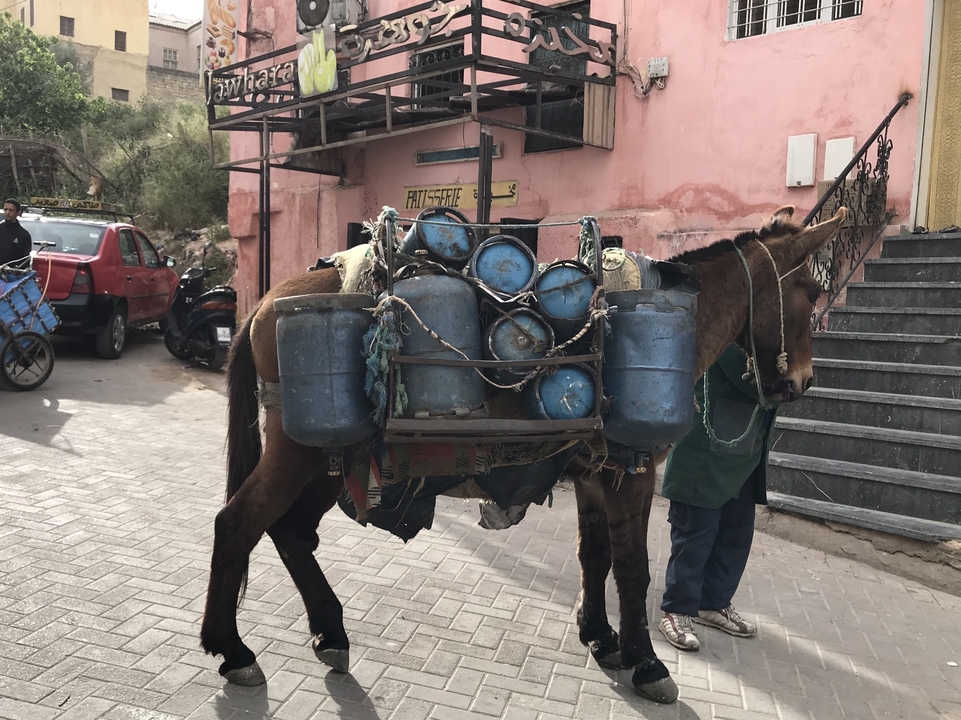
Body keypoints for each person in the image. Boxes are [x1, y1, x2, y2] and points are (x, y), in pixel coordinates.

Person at [657, 343, 780, 651]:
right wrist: (785, 379)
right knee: (695, 535)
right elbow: (753, 381)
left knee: (736, 534)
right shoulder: (726, 336)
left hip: (744, 450)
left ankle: (712, 603)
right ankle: (677, 609)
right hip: (706, 450)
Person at [0, 198, 32, 268]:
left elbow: (25, 260)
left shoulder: (23, 235)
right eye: (5, 209)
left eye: (11, 210)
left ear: (18, 213)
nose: (7, 212)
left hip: (11, 275)